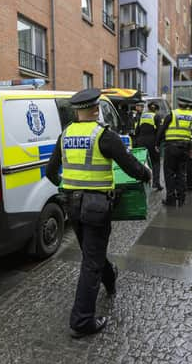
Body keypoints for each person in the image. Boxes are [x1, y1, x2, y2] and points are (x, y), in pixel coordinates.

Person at [45, 89, 151, 339]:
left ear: (77, 111)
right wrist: (147, 173)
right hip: (97, 207)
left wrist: (68, 185)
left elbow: (50, 172)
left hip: (72, 205)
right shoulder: (104, 136)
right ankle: (82, 321)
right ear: (96, 109)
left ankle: (110, 276)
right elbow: (133, 168)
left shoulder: (66, 134)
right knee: (91, 261)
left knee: (91, 252)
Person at [156, 96, 192, 207]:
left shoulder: (172, 114)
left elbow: (162, 130)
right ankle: (181, 197)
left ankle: (170, 198)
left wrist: (157, 144)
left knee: (169, 172)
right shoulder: (191, 117)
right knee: (181, 173)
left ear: (179, 104)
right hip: (185, 149)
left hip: (171, 148)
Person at [134, 101, 163, 190]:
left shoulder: (142, 116)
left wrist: (137, 142)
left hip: (141, 141)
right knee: (156, 162)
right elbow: (159, 132)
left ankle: (141, 182)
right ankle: (156, 183)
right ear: (156, 110)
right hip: (152, 142)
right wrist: (157, 144)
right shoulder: (157, 116)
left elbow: (137, 131)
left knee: (143, 162)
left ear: (148, 108)